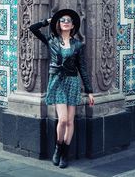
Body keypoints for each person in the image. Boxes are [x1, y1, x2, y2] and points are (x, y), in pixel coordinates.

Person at [29, 9, 94, 168]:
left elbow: (82, 68)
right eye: (62, 20)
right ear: (59, 24)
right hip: (57, 82)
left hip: (72, 82)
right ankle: (58, 148)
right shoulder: (52, 41)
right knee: (63, 119)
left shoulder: (78, 45)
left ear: (72, 26)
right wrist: (48, 21)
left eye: (68, 20)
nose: (65, 22)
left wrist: (89, 91)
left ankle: (65, 153)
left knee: (70, 121)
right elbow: (32, 28)